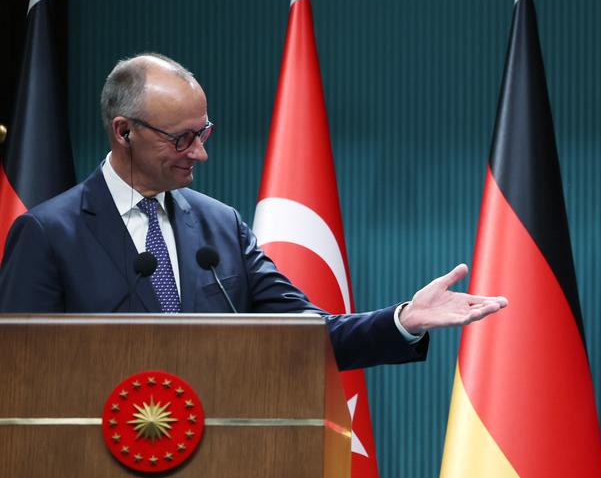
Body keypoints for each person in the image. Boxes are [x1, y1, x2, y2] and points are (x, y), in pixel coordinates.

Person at [0, 53, 507, 370]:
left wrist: (403, 319)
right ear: (123, 131)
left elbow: (307, 335)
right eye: (181, 139)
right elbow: (19, 375)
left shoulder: (220, 226)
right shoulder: (48, 233)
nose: (199, 153)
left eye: (204, 133)